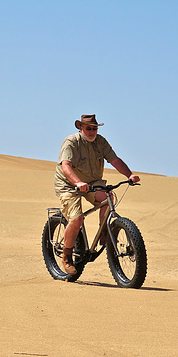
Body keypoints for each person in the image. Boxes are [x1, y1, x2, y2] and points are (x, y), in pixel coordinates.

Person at [54, 114, 140, 275]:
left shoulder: (100, 142)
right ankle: (66, 257)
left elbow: (115, 160)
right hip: (69, 183)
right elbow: (66, 166)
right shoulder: (71, 142)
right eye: (89, 128)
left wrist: (129, 175)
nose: (92, 131)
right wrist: (78, 183)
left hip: (92, 182)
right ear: (81, 128)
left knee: (108, 199)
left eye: (94, 128)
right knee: (77, 218)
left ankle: (104, 235)